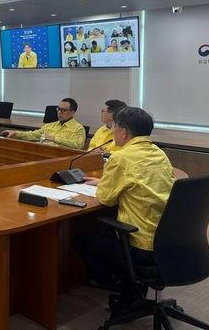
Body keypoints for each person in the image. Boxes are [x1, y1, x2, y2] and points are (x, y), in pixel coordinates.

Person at [75, 107, 175, 301]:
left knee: (83, 240)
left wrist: (105, 185)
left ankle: (116, 284)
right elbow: (139, 182)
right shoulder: (159, 153)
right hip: (165, 238)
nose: (112, 130)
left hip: (140, 244)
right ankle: (129, 286)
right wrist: (104, 182)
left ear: (124, 132)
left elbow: (106, 199)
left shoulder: (121, 157)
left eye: (115, 127)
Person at [1, 98, 86, 149]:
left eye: (63, 110)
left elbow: (78, 146)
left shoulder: (78, 128)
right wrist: (15, 133)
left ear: (72, 112)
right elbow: (33, 135)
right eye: (58, 109)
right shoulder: (49, 125)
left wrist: (54, 138)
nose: (59, 112)